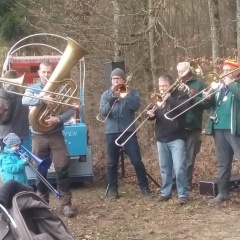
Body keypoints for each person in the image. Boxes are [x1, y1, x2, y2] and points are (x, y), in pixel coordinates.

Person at [22, 61, 75, 217]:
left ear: (53, 72)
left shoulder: (62, 89)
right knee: (40, 169)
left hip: (56, 133)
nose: (46, 75)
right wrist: (41, 98)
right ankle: (42, 203)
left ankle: (66, 203)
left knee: (62, 166)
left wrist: (58, 119)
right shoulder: (33, 89)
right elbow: (24, 100)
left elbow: (71, 111)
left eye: (49, 72)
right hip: (38, 135)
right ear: (39, 73)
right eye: (44, 72)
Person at [99, 68, 152, 199]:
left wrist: (126, 94)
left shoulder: (132, 92)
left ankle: (144, 188)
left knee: (137, 161)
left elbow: (136, 106)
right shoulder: (106, 94)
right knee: (112, 163)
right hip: (111, 132)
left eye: (118, 78)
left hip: (128, 130)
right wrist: (110, 103)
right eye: (113, 79)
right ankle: (112, 189)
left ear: (123, 79)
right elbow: (103, 112)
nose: (115, 81)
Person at [147, 74, 190, 205]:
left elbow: (183, 109)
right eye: (160, 86)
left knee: (179, 168)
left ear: (171, 85)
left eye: (164, 86)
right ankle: (166, 192)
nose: (161, 89)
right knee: (165, 168)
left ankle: (183, 194)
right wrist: (150, 114)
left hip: (176, 137)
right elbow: (150, 113)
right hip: (161, 137)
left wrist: (169, 99)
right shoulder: (157, 98)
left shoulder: (180, 95)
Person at [205, 59, 240, 203]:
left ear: (236, 71)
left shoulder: (235, 85)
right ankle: (223, 193)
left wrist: (230, 83)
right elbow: (209, 105)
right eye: (224, 70)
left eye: (228, 70)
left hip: (235, 129)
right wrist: (206, 98)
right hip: (218, 128)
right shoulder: (220, 87)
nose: (224, 73)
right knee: (223, 161)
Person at [176, 62, 213, 190]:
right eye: (178, 71)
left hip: (193, 125)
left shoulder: (199, 84)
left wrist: (191, 98)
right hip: (177, 126)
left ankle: (186, 183)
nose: (179, 74)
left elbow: (207, 104)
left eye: (181, 71)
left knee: (189, 158)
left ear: (188, 71)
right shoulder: (177, 85)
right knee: (177, 157)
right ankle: (176, 182)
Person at [0, 70, 29, 149]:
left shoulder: (6, 94)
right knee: (15, 158)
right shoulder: (23, 93)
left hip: (7, 135)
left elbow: (4, 118)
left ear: (6, 81)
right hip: (20, 133)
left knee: (7, 158)